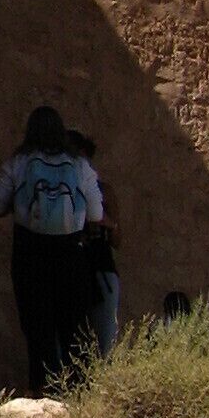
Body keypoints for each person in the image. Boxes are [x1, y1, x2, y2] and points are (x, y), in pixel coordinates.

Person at [0, 107, 102, 393]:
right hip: (71, 253)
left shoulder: (19, 162)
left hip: (30, 252)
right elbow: (96, 215)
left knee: (38, 327)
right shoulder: (78, 165)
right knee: (75, 327)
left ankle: (44, 392)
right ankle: (79, 392)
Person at [68, 129, 122, 355]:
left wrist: (106, 223)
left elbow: (118, 239)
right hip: (71, 268)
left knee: (105, 342)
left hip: (100, 269)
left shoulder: (103, 191)